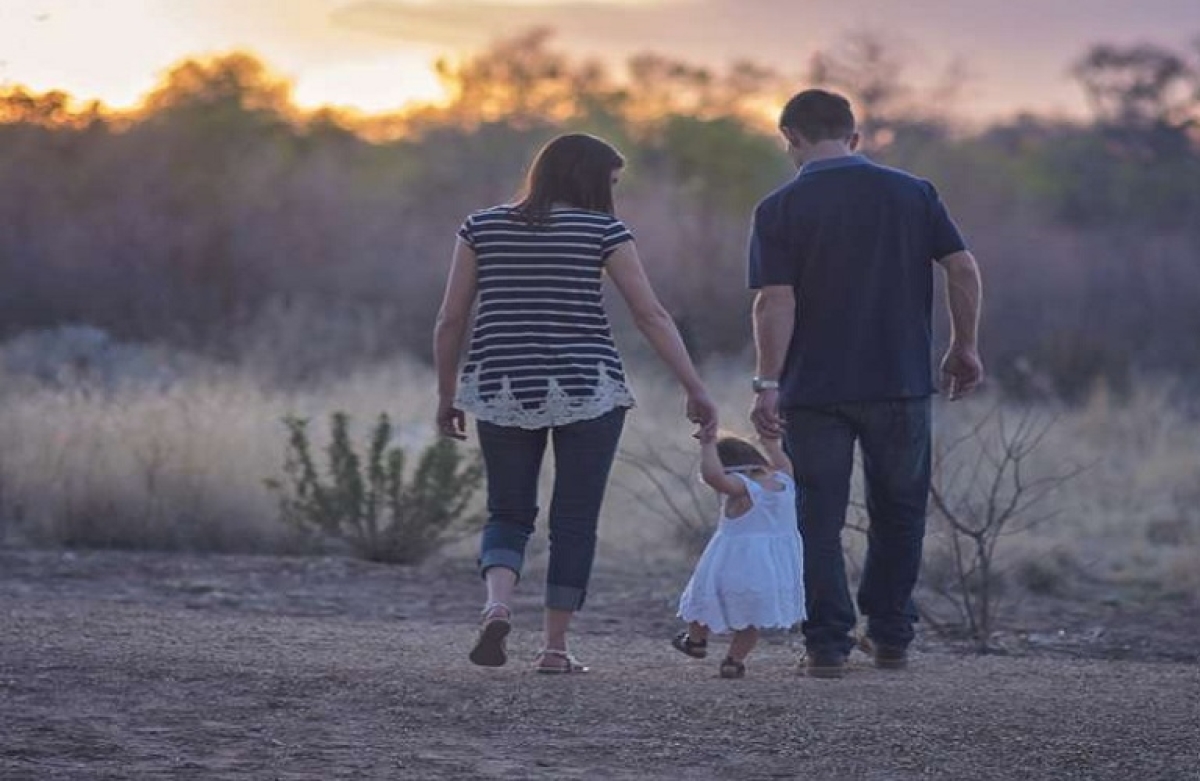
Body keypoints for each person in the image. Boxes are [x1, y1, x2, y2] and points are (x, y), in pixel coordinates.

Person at [433, 132, 719, 674]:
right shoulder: (603, 230)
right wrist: (694, 387)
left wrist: (448, 394)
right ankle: (554, 649)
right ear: (588, 179)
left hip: (500, 386)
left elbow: (451, 319)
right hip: (589, 387)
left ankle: (496, 604)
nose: (613, 194)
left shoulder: (482, 226)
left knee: (507, 510)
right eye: (610, 182)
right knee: (574, 518)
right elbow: (650, 315)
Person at [746, 89, 984, 678]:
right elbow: (962, 266)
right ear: (854, 137)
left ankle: (827, 644)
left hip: (815, 390)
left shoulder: (779, 208)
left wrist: (767, 382)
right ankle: (892, 637)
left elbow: (775, 301)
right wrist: (964, 344)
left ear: (791, 139)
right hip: (898, 381)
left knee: (817, 517)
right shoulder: (912, 193)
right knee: (900, 511)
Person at [672, 430, 805, 679]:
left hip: (732, 563)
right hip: (771, 569)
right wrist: (770, 442)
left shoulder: (743, 488)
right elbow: (780, 458)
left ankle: (696, 641)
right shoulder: (785, 479)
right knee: (750, 619)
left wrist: (707, 444)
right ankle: (733, 661)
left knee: (704, 600)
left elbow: (713, 477)